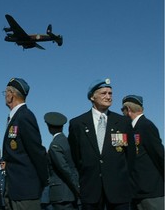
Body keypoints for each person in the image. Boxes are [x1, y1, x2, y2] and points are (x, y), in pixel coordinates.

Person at [68, 78, 135, 210]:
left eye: (110, 93)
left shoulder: (123, 122)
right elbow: (75, 157)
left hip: (118, 190)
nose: (108, 96)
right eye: (103, 93)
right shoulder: (77, 124)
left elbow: (130, 156)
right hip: (91, 189)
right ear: (92, 97)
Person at [2, 77, 48, 210]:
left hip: (26, 191)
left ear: (11, 95)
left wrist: (43, 181)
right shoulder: (14, 118)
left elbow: (37, 152)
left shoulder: (24, 116)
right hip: (14, 189)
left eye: (5, 93)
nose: (5, 96)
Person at [121, 95, 164, 210]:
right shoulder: (131, 129)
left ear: (128, 110)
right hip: (137, 191)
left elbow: (160, 155)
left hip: (151, 193)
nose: (122, 113)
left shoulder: (146, 126)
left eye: (122, 110)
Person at [45, 112, 79, 210]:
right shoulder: (68, 142)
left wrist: (77, 187)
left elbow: (64, 168)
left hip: (61, 194)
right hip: (70, 193)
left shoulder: (55, 145)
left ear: (49, 127)